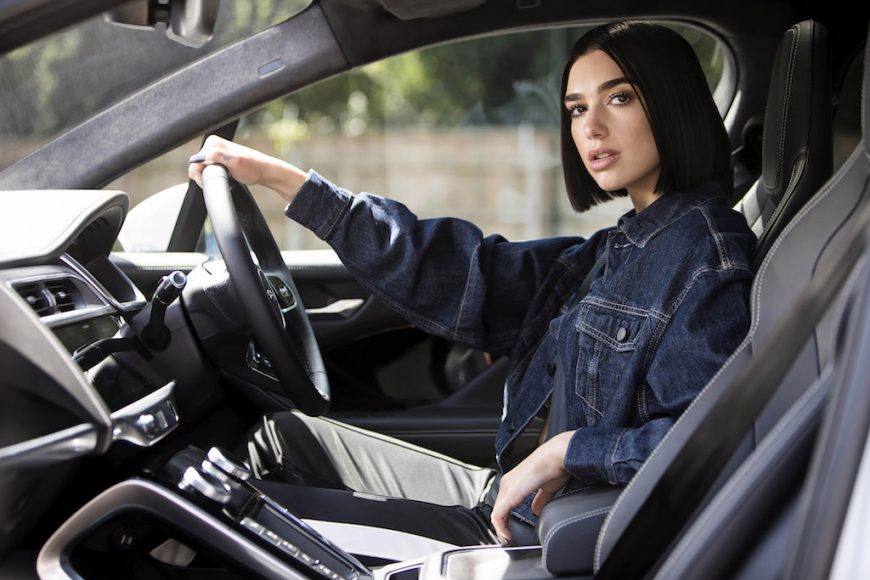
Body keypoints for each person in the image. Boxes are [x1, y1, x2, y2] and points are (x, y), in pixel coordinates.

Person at [188, 21, 755, 553]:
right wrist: (277, 178)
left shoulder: (706, 261)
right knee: (280, 439)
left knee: (217, 512)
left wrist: (567, 451)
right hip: (509, 499)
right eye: (577, 108)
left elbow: (705, 447)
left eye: (619, 98)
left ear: (672, 103)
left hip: (539, 539)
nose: (591, 127)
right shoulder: (617, 247)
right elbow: (465, 274)